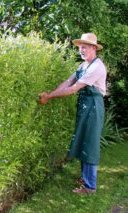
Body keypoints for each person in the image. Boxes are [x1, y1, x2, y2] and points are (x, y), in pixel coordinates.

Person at [39, 33, 107, 194]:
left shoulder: (97, 67)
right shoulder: (83, 66)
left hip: (93, 107)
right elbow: (68, 82)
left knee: (89, 143)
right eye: (80, 47)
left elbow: (73, 89)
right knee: (83, 139)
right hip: (85, 106)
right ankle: (85, 178)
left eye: (85, 47)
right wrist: (50, 94)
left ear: (94, 48)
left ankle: (90, 187)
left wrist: (49, 97)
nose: (81, 50)